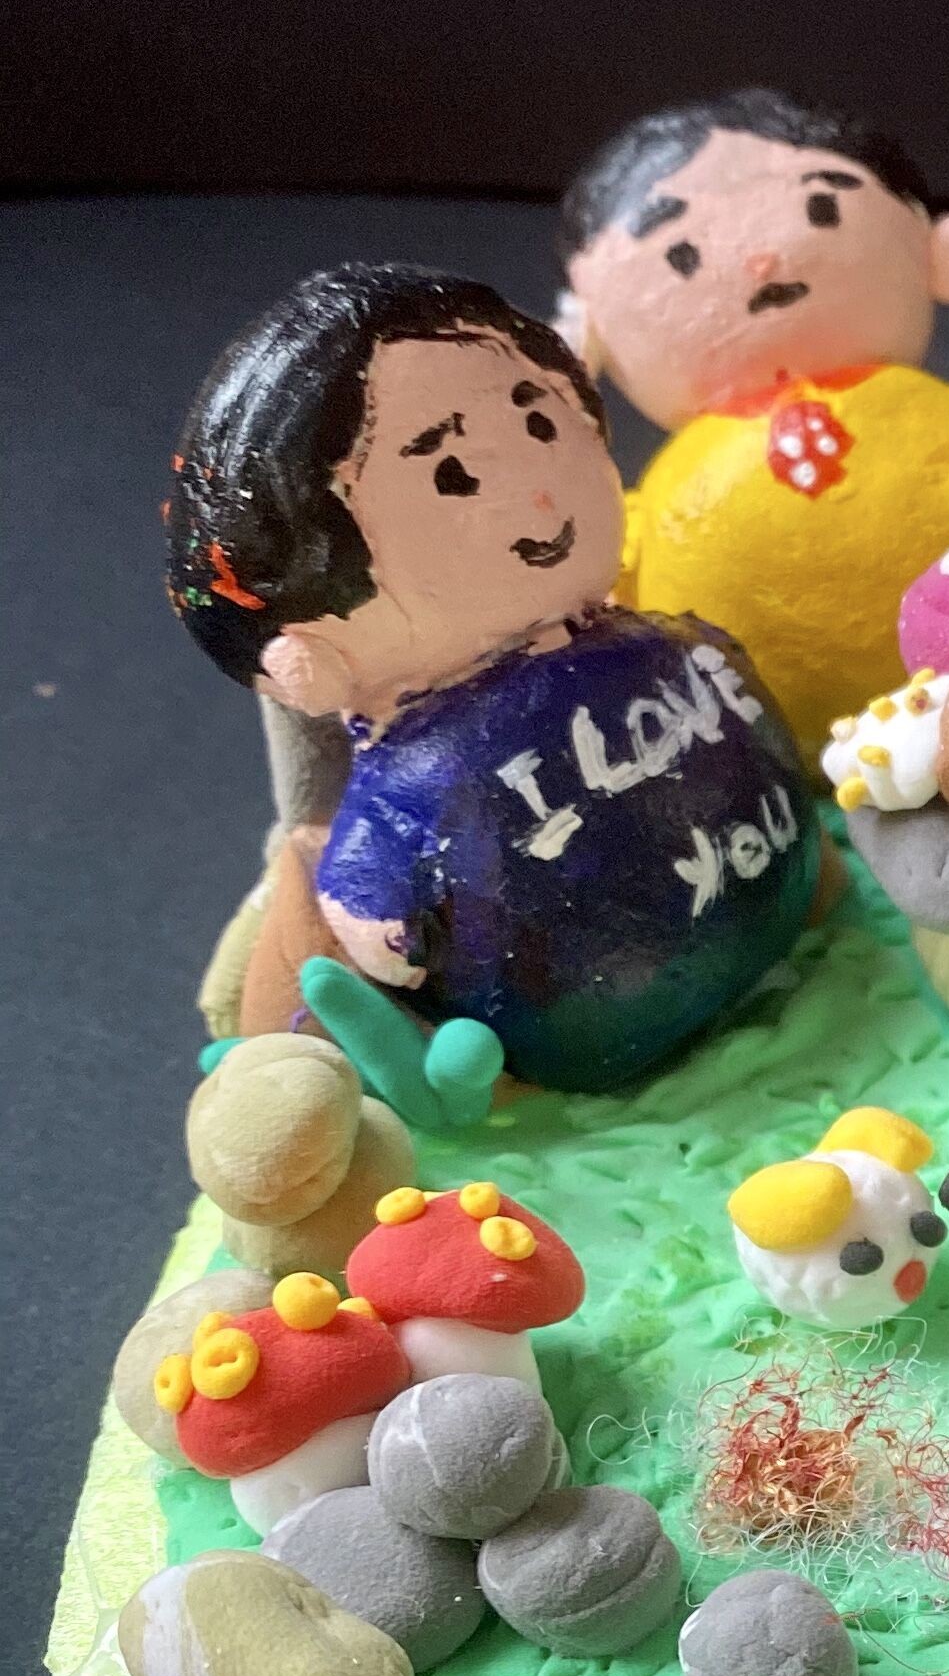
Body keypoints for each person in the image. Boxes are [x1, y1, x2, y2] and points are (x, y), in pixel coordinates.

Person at [167, 266, 816, 1091]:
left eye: (539, 422)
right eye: (453, 472)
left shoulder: (653, 644)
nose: (538, 496)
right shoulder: (420, 764)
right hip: (576, 1034)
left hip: (773, 913)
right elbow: (380, 912)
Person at [556, 88, 949, 756]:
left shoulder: (942, 417)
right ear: (586, 338)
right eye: (682, 251)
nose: (761, 259)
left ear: (942, 252)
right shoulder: (659, 496)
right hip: (764, 759)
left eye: (820, 209)